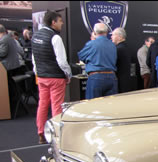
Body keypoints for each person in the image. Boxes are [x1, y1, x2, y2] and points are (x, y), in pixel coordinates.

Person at [31, 11, 72, 144]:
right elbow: (62, 61)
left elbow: (34, 59)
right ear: (53, 22)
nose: (62, 24)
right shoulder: (55, 38)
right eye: (60, 21)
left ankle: (41, 133)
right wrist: (68, 74)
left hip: (42, 76)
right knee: (56, 106)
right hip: (56, 77)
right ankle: (56, 135)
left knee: (42, 104)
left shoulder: (35, 36)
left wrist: (38, 72)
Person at [78, 23, 117, 99]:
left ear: (95, 33)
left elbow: (81, 56)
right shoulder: (113, 45)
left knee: (93, 105)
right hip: (112, 77)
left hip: (96, 77)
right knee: (110, 105)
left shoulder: (91, 44)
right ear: (106, 32)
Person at [111, 27, 131, 93]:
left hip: (119, 82)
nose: (111, 37)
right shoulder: (125, 47)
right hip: (126, 81)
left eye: (113, 35)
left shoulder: (118, 49)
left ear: (120, 37)